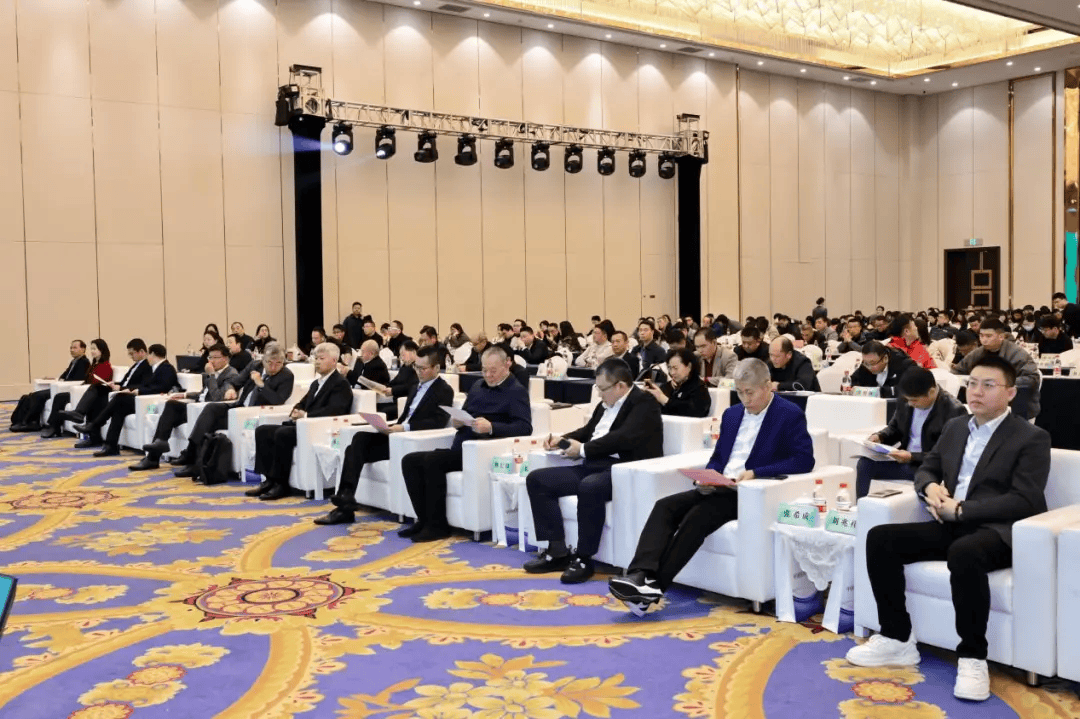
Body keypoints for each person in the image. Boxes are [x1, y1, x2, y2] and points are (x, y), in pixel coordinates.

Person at [847, 355, 1051, 702]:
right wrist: (928, 487)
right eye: (973, 383)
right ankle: (897, 638)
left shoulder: (1031, 437)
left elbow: (1025, 499)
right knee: (881, 538)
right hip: (952, 522)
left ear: (1011, 393)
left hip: (999, 532)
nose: (977, 392)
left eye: (989, 385)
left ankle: (973, 657)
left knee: (965, 552)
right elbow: (928, 467)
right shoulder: (957, 427)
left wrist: (962, 509)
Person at [608, 358, 814, 615]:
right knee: (665, 506)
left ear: (767, 386)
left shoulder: (789, 414)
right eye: (740, 392)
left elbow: (804, 459)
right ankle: (639, 575)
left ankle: (654, 587)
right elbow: (719, 457)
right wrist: (707, 475)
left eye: (750, 392)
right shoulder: (732, 414)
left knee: (697, 517)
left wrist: (756, 473)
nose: (745, 399)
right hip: (719, 485)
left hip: (747, 493)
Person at [524, 358, 663, 583]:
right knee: (538, 480)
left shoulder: (644, 403)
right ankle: (557, 550)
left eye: (602, 388)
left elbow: (623, 438)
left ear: (620, 386)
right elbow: (589, 431)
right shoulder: (605, 404)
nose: (599, 394)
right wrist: (563, 439)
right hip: (594, 464)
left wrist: (583, 449)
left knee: (590, 487)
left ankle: (584, 558)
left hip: (622, 470)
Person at [400, 345, 532, 542]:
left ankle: (437, 526)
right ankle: (424, 520)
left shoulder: (516, 391)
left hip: (482, 453)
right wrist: (457, 421)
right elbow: (464, 413)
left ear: (507, 365)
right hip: (461, 447)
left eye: (493, 371)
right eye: (484, 370)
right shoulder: (478, 386)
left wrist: (492, 427)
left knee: (432, 461)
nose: (488, 375)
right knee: (409, 461)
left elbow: (524, 427)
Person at [313, 345, 454, 526]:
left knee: (356, 446)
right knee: (358, 441)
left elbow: (438, 421)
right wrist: (389, 426)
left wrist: (405, 428)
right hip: (396, 435)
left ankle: (344, 505)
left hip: (411, 441)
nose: (418, 372)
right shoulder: (415, 387)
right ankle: (345, 499)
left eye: (423, 368)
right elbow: (405, 416)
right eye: (416, 367)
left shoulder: (444, 390)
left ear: (436, 368)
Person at [246, 343, 354, 501]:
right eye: (316, 358)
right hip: (303, 426)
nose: (317, 362)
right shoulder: (316, 383)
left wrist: (306, 415)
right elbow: (302, 402)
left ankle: (281, 484)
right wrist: (296, 410)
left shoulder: (340, 384)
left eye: (321, 359)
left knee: (282, 433)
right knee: (263, 430)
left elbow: (335, 410)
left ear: (333, 361)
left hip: (320, 429)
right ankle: (268, 480)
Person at [171, 344, 294, 479]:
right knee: (211, 409)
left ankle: (195, 464)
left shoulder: (287, 376)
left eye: (278, 363)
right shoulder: (255, 365)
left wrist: (261, 385)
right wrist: (230, 388)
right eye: (270, 362)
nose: (273, 367)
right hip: (239, 406)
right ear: (263, 359)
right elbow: (235, 381)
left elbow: (278, 400)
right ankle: (192, 455)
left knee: (211, 422)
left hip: (252, 415)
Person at [855, 367, 967, 498]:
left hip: (930, 468)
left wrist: (912, 456)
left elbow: (949, 454)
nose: (910, 403)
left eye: (914, 400)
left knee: (921, 473)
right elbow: (895, 428)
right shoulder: (907, 399)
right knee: (865, 464)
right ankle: (861, 506)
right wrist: (880, 437)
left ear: (931, 392)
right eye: (907, 399)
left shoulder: (954, 411)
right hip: (905, 460)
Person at [130, 343, 239, 471]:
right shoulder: (213, 372)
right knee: (171, 405)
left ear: (225, 359)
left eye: (215, 358)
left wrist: (211, 376)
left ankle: (185, 458)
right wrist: (185, 394)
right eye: (210, 357)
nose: (211, 361)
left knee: (175, 409)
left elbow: (217, 397)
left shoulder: (231, 374)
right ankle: (155, 452)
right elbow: (204, 393)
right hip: (196, 407)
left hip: (206, 411)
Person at [72, 344, 179, 456]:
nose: (147, 358)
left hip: (150, 403)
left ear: (153, 354)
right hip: (142, 399)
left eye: (148, 354)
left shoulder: (166, 368)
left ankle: (95, 425)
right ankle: (110, 446)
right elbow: (147, 385)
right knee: (118, 410)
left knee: (119, 398)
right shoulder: (156, 368)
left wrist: (139, 391)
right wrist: (134, 390)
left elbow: (162, 388)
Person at [60, 339, 151, 444]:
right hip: (120, 392)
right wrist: (115, 384)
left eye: (132, 353)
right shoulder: (136, 365)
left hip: (129, 395)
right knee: (96, 391)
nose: (130, 356)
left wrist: (121, 388)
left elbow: (143, 385)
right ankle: (90, 430)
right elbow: (125, 382)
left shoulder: (147, 366)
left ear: (141, 352)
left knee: (97, 391)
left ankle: (84, 419)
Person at [952, 318, 1040, 419]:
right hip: (984, 401)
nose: (984, 339)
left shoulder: (1017, 353)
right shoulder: (978, 353)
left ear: (1001, 336)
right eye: (981, 335)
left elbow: (1033, 378)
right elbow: (957, 370)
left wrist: (1003, 383)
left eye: (988, 336)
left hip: (1014, 404)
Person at [10, 340, 90, 432]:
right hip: (61, 385)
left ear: (83, 349)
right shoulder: (74, 361)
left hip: (65, 389)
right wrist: (55, 379)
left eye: (75, 348)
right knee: (31, 395)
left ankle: (31, 422)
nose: (72, 350)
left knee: (38, 396)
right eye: (71, 348)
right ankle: (21, 420)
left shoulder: (84, 362)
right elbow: (64, 376)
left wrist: (61, 382)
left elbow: (77, 380)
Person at [41, 340, 113, 438]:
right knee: (59, 396)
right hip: (84, 391)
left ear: (102, 350)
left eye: (94, 349)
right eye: (91, 349)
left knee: (61, 397)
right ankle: (54, 426)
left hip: (92, 392)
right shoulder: (94, 364)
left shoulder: (105, 365)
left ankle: (62, 422)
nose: (92, 351)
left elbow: (99, 383)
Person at [642, 348, 711, 417]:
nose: (672, 372)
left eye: (675, 368)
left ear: (689, 366)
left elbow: (696, 411)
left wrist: (664, 399)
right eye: (669, 368)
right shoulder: (666, 387)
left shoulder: (699, 387)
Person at [850, 340, 917, 398]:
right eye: (866, 364)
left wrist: (882, 392)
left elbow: (910, 388)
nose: (869, 367)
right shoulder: (866, 365)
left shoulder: (903, 364)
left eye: (873, 363)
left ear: (885, 358)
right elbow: (852, 381)